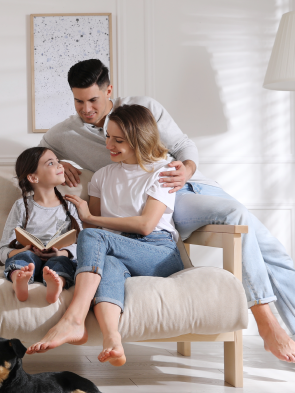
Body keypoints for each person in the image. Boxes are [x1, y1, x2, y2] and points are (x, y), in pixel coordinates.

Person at [38, 58, 295, 363]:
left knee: (267, 247)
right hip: (151, 200)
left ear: (109, 90)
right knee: (246, 227)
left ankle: (267, 323)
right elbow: (40, 154)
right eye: (78, 101)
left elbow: (184, 146)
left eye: (93, 99)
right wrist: (59, 162)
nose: (86, 109)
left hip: (182, 187)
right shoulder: (67, 134)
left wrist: (185, 170)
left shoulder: (142, 108)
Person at [26, 104, 184, 366]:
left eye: (118, 140)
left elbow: (146, 225)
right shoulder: (101, 176)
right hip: (118, 250)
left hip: (158, 252)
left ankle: (73, 319)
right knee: (106, 263)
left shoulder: (164, 172)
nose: (109, 144)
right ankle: (113, 340)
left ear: (139, 139)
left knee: (94, 237)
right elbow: (95, 236)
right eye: (108, 136)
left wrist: (89, 218)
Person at [0, 147, 82, 304]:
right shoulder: (21, 206)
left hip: (57, 257)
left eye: (58, 161)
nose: (60, 165)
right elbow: (3, 250)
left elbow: (83, 245)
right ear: (33, 177)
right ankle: (19, 279)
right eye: (51, 163)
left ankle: (57, 284)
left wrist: (62, 254)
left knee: (62, 264)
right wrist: (23, 250)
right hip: (29, 258)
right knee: (24, 257)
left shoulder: (69, 206)